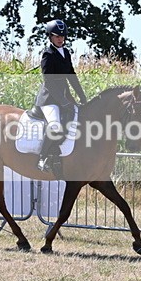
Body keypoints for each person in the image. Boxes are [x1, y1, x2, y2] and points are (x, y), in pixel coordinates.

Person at [34, 19, 88, 174]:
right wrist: (63, 101)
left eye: (62, 36)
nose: (60, 39)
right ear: (50, 37)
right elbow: (49, 81)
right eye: (57, 36)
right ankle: (42, 157)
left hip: (64, 97)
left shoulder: (66, 52)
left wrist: (82, 96)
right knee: (55, 124)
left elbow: (71, 76)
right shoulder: (48, 54)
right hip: (49, 99)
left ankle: (59, 153)